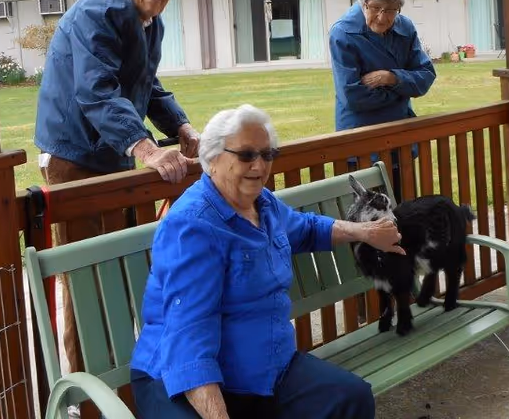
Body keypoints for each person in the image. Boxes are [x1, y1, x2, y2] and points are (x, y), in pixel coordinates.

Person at [130, 104, 404, 419]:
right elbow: (190, 340)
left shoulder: (263, 204)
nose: (259, 166)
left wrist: (367, 232)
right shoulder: (193, 227)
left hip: (263, 366)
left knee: (351, 399)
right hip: (181, 377)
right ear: (213, 158)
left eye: (268, 154)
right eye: (246, 155)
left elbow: (306, 228)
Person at [35, 0, 201, 375]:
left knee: (124, 264)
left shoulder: (149, 22)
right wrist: (145, 147)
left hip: (112, 155)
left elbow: (147, 83)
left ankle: (132, 374)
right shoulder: (102, 10)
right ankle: (85, 388)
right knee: (84, 276)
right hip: (75, 157)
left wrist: (181, 126)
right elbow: (97, 90)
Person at [328, 0, 436, 202]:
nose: (382, 17)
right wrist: (402, 92)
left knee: (405, 210)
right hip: (361, 143)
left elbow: (426, 75)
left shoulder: (405, 27)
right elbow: (352, 97)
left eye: (390, 10)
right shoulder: (343, 33)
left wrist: (392, 78)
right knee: (369, 218)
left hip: (400, 141)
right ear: (362, 1)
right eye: (375, 7)